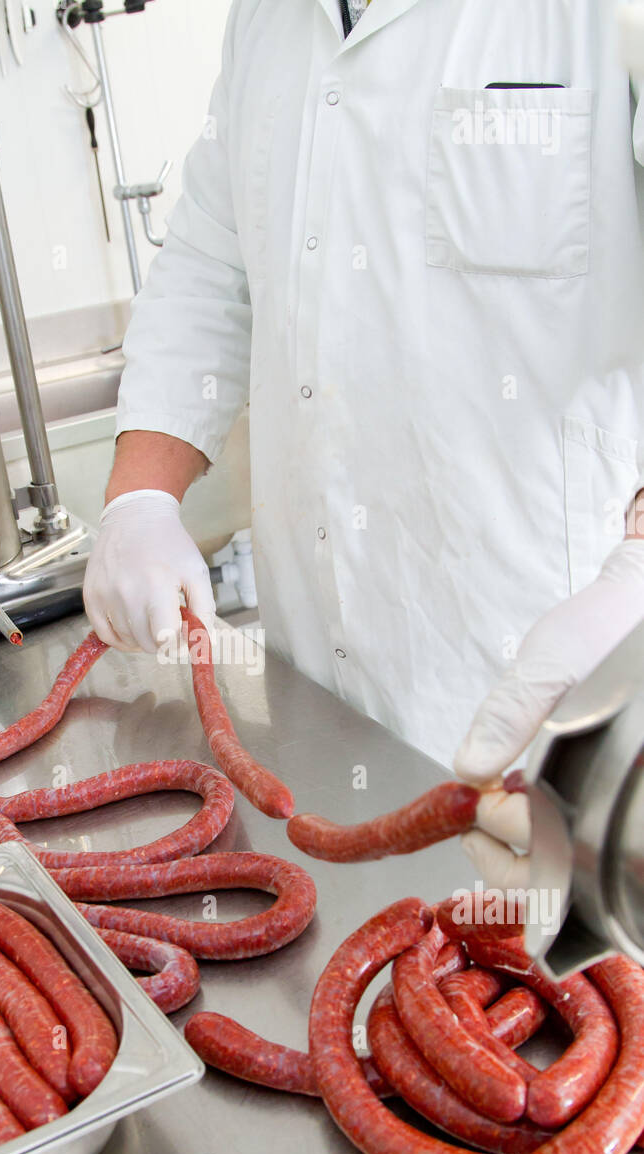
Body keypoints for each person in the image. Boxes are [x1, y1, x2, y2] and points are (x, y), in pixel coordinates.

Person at [83, 0, 644, 886]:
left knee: (576, 1003)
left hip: (567, 707)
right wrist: (140, 498)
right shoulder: (267, 19)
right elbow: (209, 264)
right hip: (321, 720)